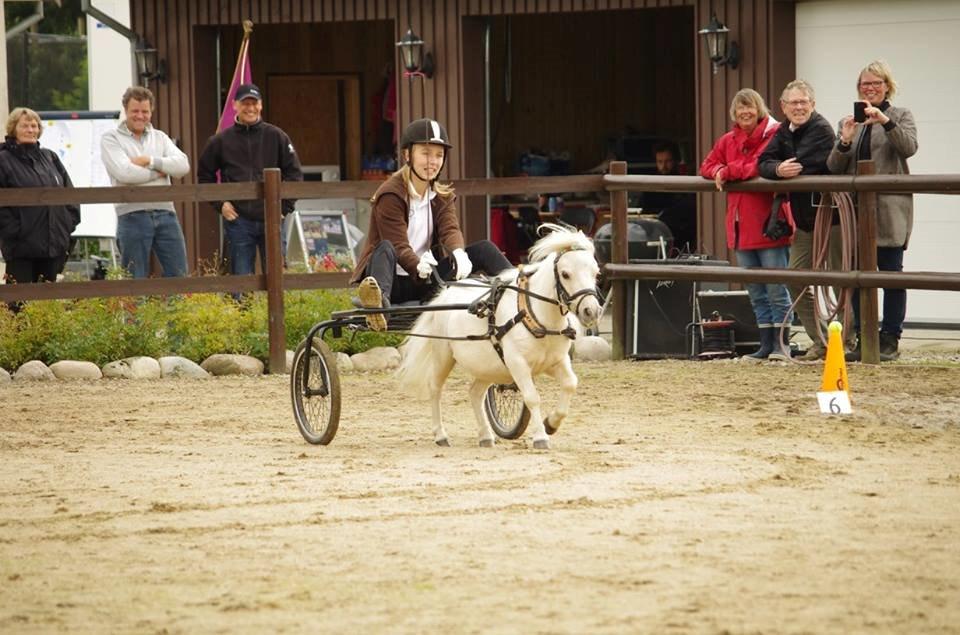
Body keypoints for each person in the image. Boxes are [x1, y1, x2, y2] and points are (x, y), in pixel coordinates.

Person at [351, 118, 512, 330]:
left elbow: (450, 229)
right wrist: (417, 265)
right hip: (392, 283)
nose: (433, 161)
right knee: (385, 248)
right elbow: (398, 245)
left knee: (484, 249)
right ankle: (378, 307)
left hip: (426, 282)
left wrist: (458, 253)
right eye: (426, 153)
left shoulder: (441, 196)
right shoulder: (390, 194)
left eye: (439, 155)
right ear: (408, 155)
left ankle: (517, 291)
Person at [828, 61, 918, 362]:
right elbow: (833, 168)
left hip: (889, 211)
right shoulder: (848, 121)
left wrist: (885, 122)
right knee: (857, 277)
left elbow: (909, 148)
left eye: (876, 83)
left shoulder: (900, 115)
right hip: (856, 214)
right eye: (865, 84)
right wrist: (844, 140)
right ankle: (863, 337)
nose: (870, 88)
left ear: (887, 86)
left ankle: (890, 337)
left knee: (892, 275)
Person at [700, 89, 794, 361]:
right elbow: (706, 165)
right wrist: (718, 170)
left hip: (768, 223)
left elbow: (760, 165)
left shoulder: (774, 135)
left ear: (760, 109)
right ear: (734, 113)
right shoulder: (728, 140)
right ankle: (766, 345)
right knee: (756, 291)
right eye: (740, 109)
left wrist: (727, 172)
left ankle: (782, 345)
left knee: (777, 289)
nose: (745, 113)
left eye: (750, 107)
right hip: (740, 227)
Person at [759, 79, 840, 360]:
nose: (799, 107)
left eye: (803, 101)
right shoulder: (783, 131)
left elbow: (806, 162)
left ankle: (849, 341)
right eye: (793, 102)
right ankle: (822, 340)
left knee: (843, 281)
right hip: (807, 219)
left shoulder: (821, 129)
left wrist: (781, 167)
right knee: (796, 277)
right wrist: (778, 169)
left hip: (834, 218)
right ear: (783, 107)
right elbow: (764, 162)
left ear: (813, 104)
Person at [197, 83, 302, 275]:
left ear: (261, 105)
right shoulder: (220, 141)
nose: (250, 108)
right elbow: (204, 176)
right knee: (239, 283)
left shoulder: (277, 136)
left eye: (254, 103)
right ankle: (241, 306)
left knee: (278, 279)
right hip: (238, 220)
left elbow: (294, 174)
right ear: (235, 105)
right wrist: (220, 204)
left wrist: (284, 207)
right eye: (245, 103)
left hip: (272, 218)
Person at [100, 86, 189, 278]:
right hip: (131, 214)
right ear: (125, 109)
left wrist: (149, 161)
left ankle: (177, 310)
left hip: (166, 213)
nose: (140, 116)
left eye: (145, 111)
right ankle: (136, 311)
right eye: (135, 111)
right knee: (134, 278)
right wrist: (160, 172)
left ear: (152, 111)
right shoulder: (110, 139)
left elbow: (183, 166)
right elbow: (125, 173)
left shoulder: (161, 137)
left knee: (180, 275)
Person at [0, 107, 80, 310]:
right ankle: (19, 342)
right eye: (24, 125)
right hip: (22, 248)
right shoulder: (3, 160)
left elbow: (69, 193)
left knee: (48, 307)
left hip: (53, 245)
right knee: (19, 306)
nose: (30, 129)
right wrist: (15, 230)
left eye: (34, 125)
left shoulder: (50, 157)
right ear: (13, 128)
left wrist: (68, 223)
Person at [640, 141, 697, 253]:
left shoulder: (685, 183)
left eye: (668, 161)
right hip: (654, 234)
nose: (663, 166)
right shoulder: (650, 185)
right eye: (660, 162)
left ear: (676, 161)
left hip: (679, 237)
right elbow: (643, 211)